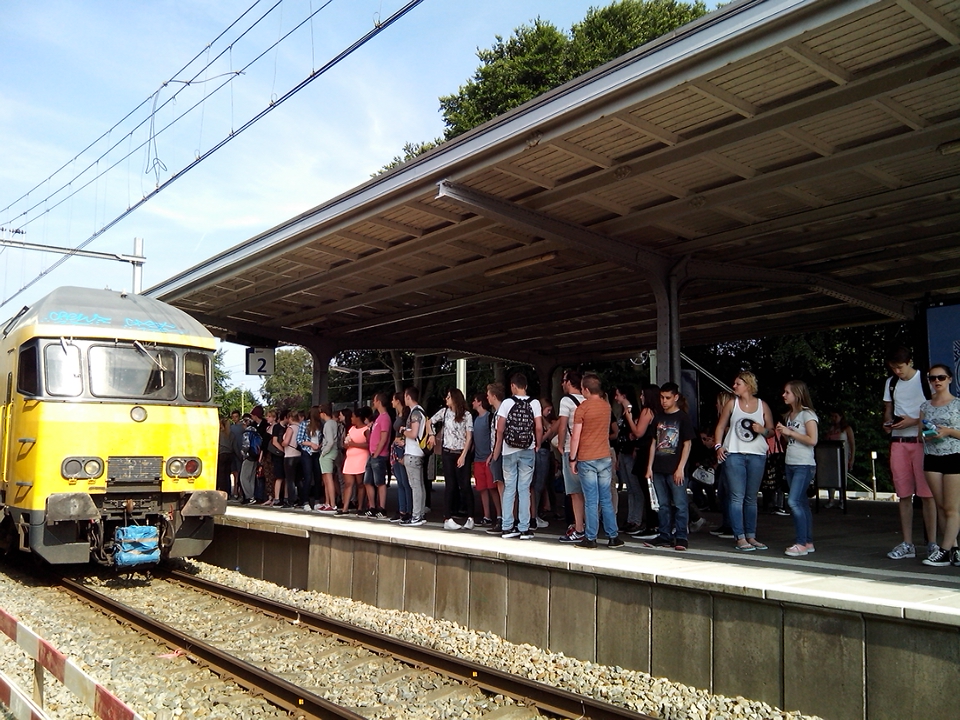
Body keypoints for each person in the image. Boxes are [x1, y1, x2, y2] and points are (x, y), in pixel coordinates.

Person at [883, 346, 937, 560]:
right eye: (894, 368)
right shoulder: (891, 382)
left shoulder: (925, 379)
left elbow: (935, 408)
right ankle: (907, 542)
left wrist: (914, 421)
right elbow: (888, 406)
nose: (897, 372)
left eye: (900, 367)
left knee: (927, 494)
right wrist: (887, 422)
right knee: (903, 494)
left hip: (922, 440)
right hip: (898, 440)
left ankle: (932, 542)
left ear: (910, 362)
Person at [715, 371, 774, 552]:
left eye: (737, 383)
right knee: (737, 496)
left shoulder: (762, 405)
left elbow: (771, 431)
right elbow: (720, 425)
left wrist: (762, 429)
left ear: (748, 385)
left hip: (756, 453)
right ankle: (740, 537)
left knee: (751, 498)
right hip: (734, 453)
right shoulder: (732, 404)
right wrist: (718, 446)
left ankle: (751, 535)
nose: (734, 386)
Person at [569, 373, 622, 549]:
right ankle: (613, 536)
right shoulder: (606, 407)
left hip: (587, 457)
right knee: (606, 498)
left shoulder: (582, 409)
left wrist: (572, 458)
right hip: (605, 457)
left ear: (585, 389)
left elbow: (575, 437)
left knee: (591, 500)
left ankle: (590, 538)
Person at [491, 373, 543, 540]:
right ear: (526, 386)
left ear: (513, 386)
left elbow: (500, 429)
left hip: (509, 450)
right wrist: (538, 444)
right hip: (528, 449)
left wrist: (497, 450)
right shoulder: (534, 403)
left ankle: (507, 527)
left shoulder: (507, 403)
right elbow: (539, 427)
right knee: (525, 489)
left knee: (509, 489)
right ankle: (524, 528)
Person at [644, 382, 695, 551]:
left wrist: (680, 467)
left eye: (667, 398)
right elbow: (652, 443)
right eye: (662, 397)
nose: (664, 401)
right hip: (659, 467)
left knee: (680, 504)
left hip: (675, 468)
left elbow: (687, 444)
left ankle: (681, 536)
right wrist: (649, 467)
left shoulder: (682, 418)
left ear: (676, 397)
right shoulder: (658, 417)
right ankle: (664, 535)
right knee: (663, 504)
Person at [919, 364, 960, 567]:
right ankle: (953, 548)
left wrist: (949, 432)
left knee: (952, 508)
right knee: (942, 506)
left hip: (955, 455)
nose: (937, 381)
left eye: (941, 378)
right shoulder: (925, 406)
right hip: (933, 456)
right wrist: (930, 434)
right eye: (932, 378)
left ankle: (943, 551)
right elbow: (922, 434)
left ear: (950, 379)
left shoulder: (958, 404)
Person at [776, 381, 818, 557]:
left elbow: (812, 440)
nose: (784, 395)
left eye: (787, 392)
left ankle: (801, 543)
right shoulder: (790, 415)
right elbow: (791, 441)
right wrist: (785, 434)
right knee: (801, 502)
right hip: (791, 461)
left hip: (804, 463)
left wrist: (790, 432)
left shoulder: (807, 415)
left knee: (793, 502)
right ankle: (807, 542)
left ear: (797, 394)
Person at [430, 388, 475, 530]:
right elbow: (429, 421)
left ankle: (471, 516)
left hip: (461, 451)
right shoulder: (444, 412)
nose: (446, 399)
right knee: (450, 485)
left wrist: (463, 455)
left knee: (465, 485)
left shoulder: (467, 415)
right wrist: (431, 434)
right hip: (448, 452)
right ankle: (447, 517)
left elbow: (469, 437)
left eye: (448, 397)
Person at [613, 385, 653, 536]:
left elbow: (637, 433)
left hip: (632, 452)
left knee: (636, 488)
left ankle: (636, 519)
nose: (616, 398)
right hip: (623, 451)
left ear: (624, 395)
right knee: (630, 488)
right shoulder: (625, 413)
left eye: (617, 395)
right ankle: (631, 519)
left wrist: (634, 444)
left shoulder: (636, 412)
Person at [556, 370, 586, 543]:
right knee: (589, 491)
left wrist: (560, 444)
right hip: (588, 450)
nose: (562, 384)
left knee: (575, 492)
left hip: (571, 449)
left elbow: (562, 424)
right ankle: (590, 527)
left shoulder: (566, 401)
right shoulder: (588, 400)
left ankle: (579, 528)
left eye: (563, 380)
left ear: (569, 382)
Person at [401, 387, 428, 526]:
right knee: (420, 485)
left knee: (415, 486)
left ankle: (416, 515)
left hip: (413, 453)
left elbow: (413, 433)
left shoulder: (415, 413)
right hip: (418, 453)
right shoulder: (421, 411)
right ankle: (420, 513)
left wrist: (404, 430)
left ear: (408, 396)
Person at [471, 393, 500, 525]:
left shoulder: (490, 417)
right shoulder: (475, 419)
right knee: (482, 488)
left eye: (474, 400)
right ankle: (487, 516)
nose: (472, 403)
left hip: (488, 458)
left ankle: (499, 515)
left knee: (492, 488)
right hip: (478, 459)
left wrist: (492, 455)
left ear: (480, 402)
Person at [364, 394, 392, 519]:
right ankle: (372, 506)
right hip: (373, 454)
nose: (373, 403)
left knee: (380, 482)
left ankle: (382, 508)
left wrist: (376, 453)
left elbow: (384, 438)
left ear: (379, 402)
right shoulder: (378, 418)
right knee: (368, 481)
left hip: (379, 454)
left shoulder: (385, 418)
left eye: (374, 401)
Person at [484, 382, 507, 533]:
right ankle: (509, 518)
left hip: (500, 453)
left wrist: (495, 455)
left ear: (493, 396)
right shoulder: (502, 411)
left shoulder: (500, 413)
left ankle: (505, 519)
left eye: (488, 394)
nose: (487, 397)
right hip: (499, 452)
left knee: (502, 487)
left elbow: (499, 436)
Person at [340, 408, 370, 515]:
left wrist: (354, 444)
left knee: (360, 483)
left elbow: (368, 444)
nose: (351, 418)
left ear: (358, 417)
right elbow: (346, 442)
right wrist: (346, 444)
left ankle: (360, 506)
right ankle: (345, 507)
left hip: (361, 458)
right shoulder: (351, 429)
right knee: (348, 483)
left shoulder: (366, 429)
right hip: (350, 458)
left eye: (353, 416)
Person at [824, 410, 855, 508]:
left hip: (843, 455)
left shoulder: (847, 429)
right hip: (831, 456)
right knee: (831, 477)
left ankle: (842, 499)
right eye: (832, 416)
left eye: (835, 416)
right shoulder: (831, 428)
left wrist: (852, 458)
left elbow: (852, 444)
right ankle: (831, 499)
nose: (833, 419)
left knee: (842, 477)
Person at [390, 392, 412, 524]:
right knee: (400, 481)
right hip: (396, 448)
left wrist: (403, 440)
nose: (391, 402)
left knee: (405, 481)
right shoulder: (398, 415)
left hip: (403, 448)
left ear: (398, 401)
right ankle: (401, 509)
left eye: (393, 400)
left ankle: (408, 510)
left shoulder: (406, 415)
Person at [297, 406, 322, 511]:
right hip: (307, 453)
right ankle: (305, 501)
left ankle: (317, 500)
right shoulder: (304, 424)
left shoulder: (321, 425)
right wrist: (311, 444)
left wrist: (319, 445)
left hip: (317, 453)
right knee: (307, 477)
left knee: (317, 477)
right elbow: (299, 439)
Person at [317, 404, 340, 513]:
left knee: (328, 479)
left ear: (323, 413)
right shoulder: (333, 423)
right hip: (331, 452)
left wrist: (324, 452)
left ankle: (332, 504)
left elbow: (330, 441)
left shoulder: (328, 424)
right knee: (326, 479)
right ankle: (328, 502)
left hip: (328, 453)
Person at [282, 410, 303, 508]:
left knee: (290, 479)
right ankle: (301, 499)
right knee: (299, 479)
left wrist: (282, 443)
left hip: (290, 455)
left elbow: (286, 442)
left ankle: (291, 500)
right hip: (299, 455)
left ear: (290, 418)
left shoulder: (290, 428)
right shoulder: (301, 427)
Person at [217, 416, 237, 496]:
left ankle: (221, 491)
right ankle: (227, 492)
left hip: (221, 454)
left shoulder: (218, 433)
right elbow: (234, 446)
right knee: (227, 474)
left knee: (220, 474)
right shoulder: (231, 434)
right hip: (229, 455)